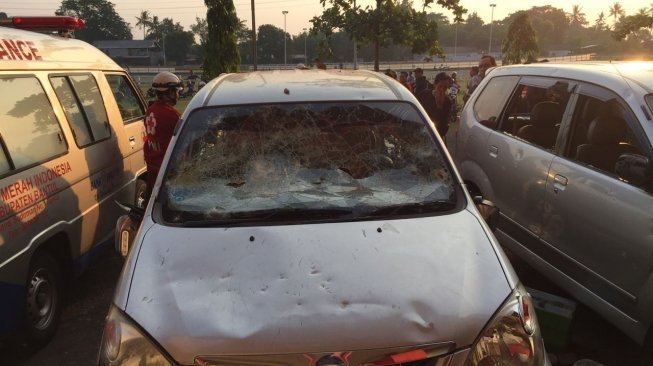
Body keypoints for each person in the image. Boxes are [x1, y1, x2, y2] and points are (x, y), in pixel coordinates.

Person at [144, 71, 183, 199]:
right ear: (170, 92)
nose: (177, 95)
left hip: (152, 166)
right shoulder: (171, 114)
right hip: (166, 168)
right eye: (176, 91)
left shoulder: (151, 110)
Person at [418, 72, 453, 140]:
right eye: (440, 86)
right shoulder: (424, 95)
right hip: (422, 134)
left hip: (437, 137)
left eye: (445, 87)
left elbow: (443, 128)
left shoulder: (447, 102)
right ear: (435, 84)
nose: (442, 90)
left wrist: (439, 106)